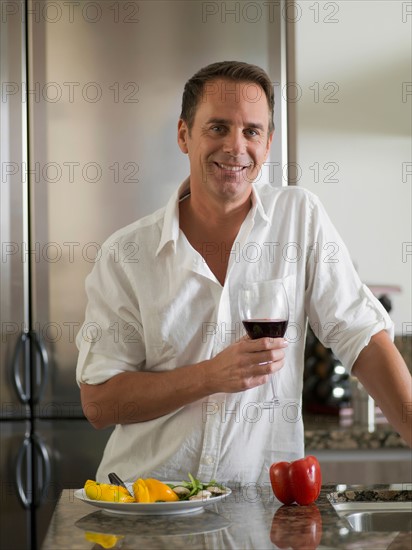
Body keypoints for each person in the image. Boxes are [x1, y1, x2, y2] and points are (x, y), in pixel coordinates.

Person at [76, 61, 411, 485]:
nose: (236, 147)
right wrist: (209, 377)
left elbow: (361, 336)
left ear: (267, 144)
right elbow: (99, 404)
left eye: (251, 131)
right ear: (184, 135)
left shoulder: (299, 219)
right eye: (217, 127)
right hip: (148, 508)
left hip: (261, 511)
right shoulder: (126, 253)